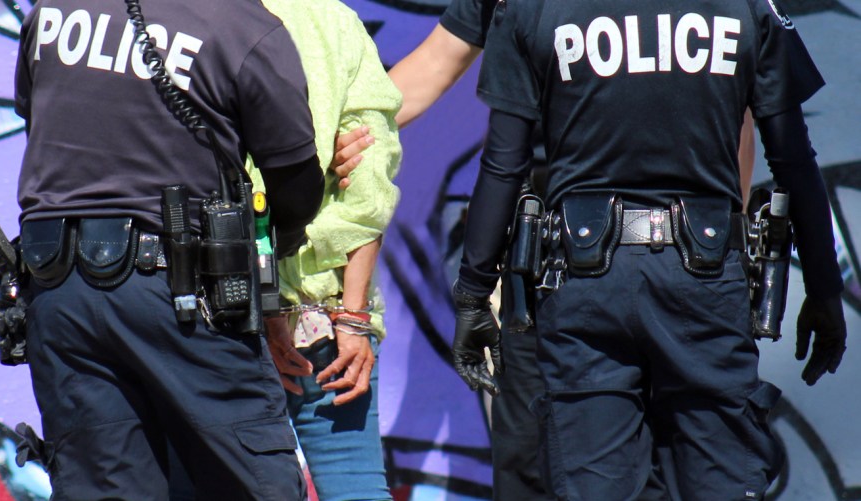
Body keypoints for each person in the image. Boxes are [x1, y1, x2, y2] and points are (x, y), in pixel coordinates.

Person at [449, 1, 847, 500]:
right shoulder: (747, 7)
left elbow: (504, 164)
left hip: (583, 283)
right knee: (721, 483)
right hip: (705, 282)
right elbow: (791, 158)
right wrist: (825, 289)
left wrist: (473, 293)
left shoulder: (534, 7)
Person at [12, 0, 323, 498]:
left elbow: (41, 121)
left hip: (56, 288)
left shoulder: (53, 8)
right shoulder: (243, 28)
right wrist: (264, 258)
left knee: (106, 486)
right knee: (254, 483)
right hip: (179, 293)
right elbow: (297, 187)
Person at [248, 0, 402, 499]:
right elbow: (370, 183)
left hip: (224, 311)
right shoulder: (334, 20)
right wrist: (353, 316)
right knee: (355, 487)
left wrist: (267, 302)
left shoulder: (198, 20)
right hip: (328, 314)